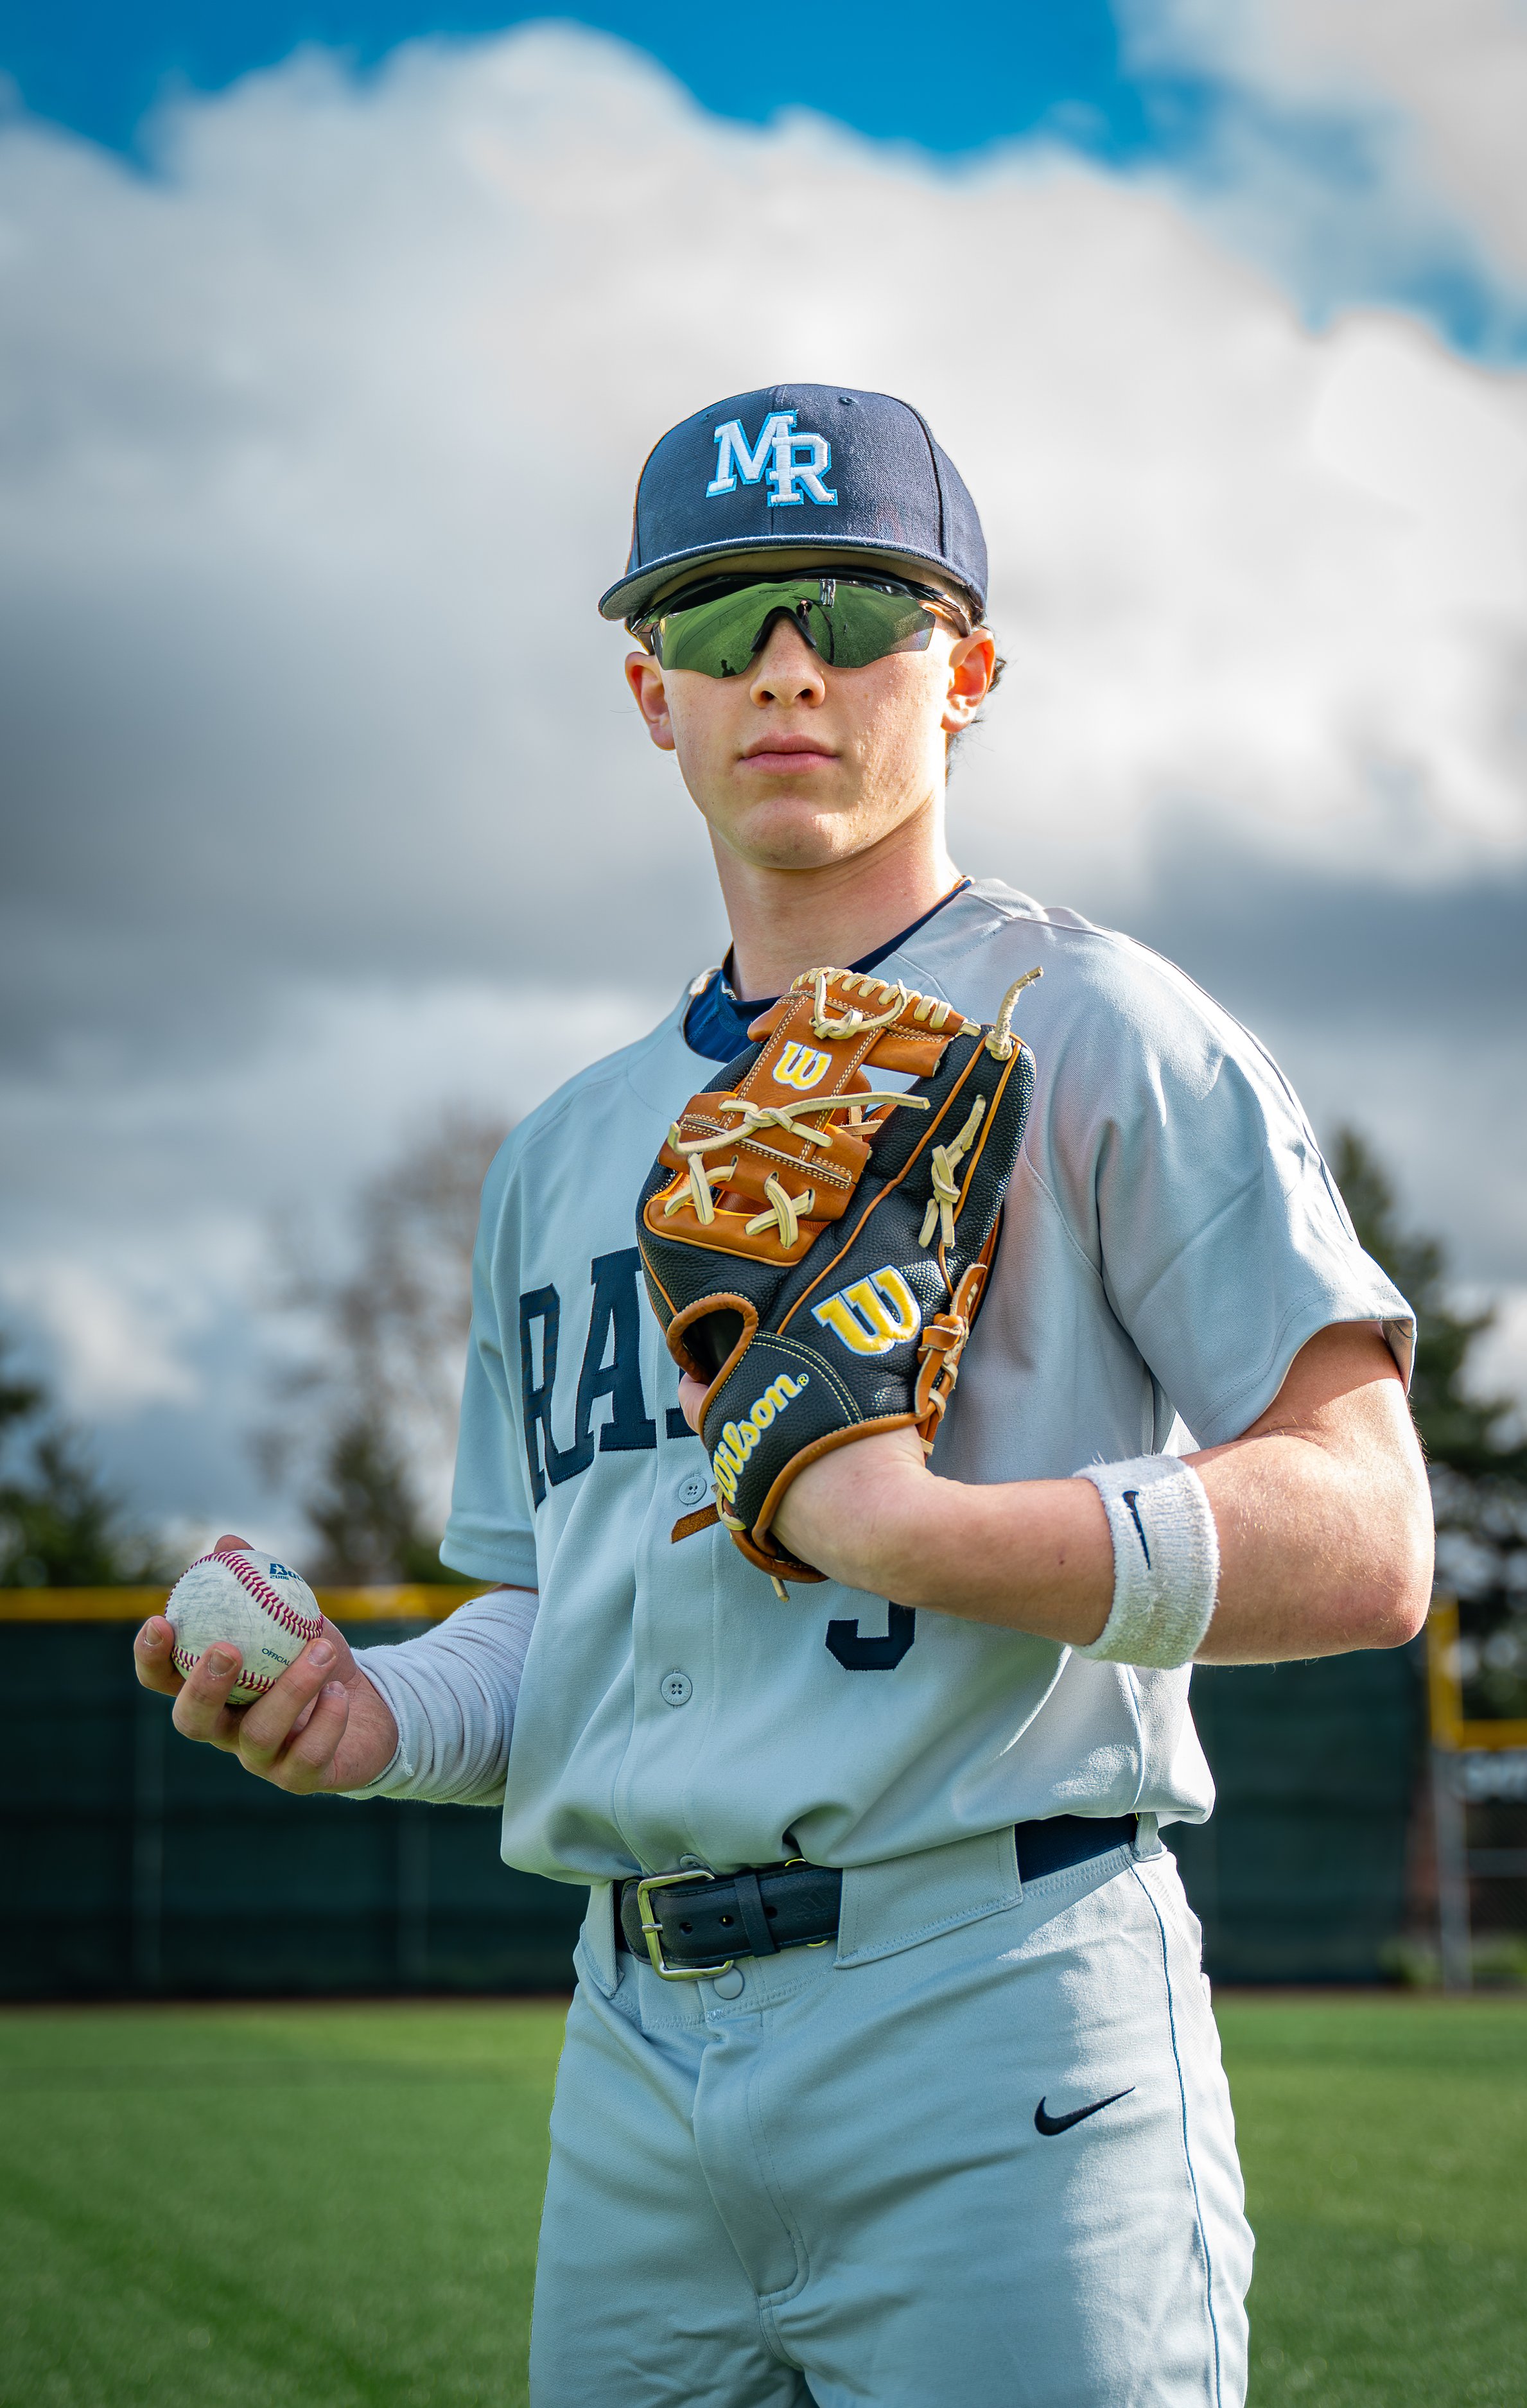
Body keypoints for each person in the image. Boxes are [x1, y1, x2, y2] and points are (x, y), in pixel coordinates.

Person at [136, 383, 1435, 2407]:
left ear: (967, 672)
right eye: (722, 616)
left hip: (996, 2009)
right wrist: (379, 1719)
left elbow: (1367, 1536)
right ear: (647, 691)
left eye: (855, 606)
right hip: (634, 2052)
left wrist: (913, 1534)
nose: (788, 668)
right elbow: (561, 1623)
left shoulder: (1103, 1031)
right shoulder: (561, 1154)